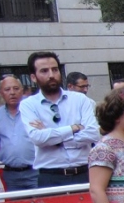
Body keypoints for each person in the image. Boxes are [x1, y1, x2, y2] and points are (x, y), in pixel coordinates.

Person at [20, 51, 101, 187]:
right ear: (33, 77)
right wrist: (73, 128)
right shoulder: (28, 105)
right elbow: (38, 138)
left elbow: (93, 134)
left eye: (55, 69)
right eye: (44, 71)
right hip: (50, 177)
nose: (51, 75)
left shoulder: (80, 100)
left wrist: (53, 139)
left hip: (84, 173)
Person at [0, 74, 37, 191]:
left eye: (16, 88)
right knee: (16, 202)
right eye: (7, 89)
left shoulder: (33, 110)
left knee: (41, 202)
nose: (12, 93)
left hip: (35, 171)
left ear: (22, 90)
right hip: (11, 175)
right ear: (1, 93)